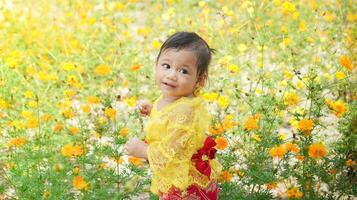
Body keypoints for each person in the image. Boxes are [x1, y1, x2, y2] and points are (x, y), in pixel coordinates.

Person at [124, 32, 222, 199]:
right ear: (156, 64)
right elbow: (170, 119)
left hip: (186, 185)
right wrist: (153, 110)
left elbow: (171, 152)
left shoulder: (186, 110)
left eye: (183, 71)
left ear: (199, 80)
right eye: (166, 66)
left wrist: (143, 150)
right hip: (177, 178)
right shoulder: (174, 99)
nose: (171, 75)